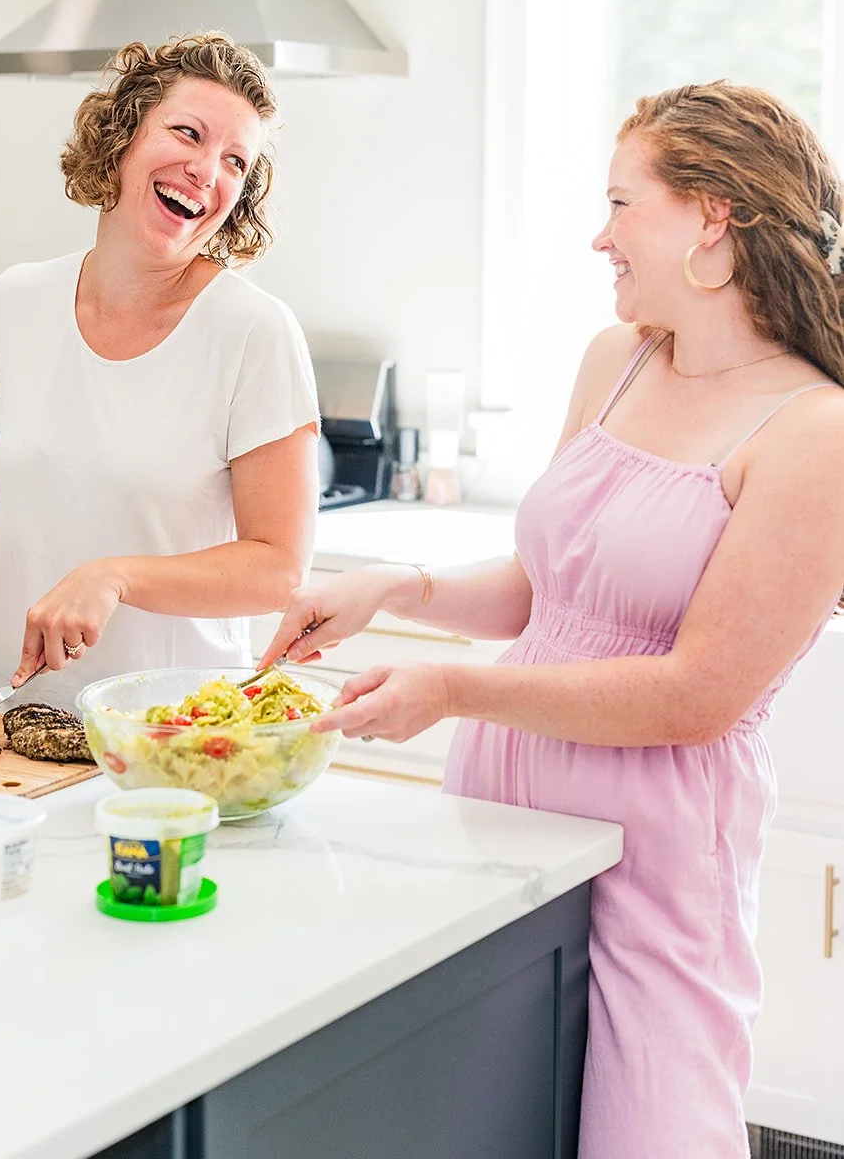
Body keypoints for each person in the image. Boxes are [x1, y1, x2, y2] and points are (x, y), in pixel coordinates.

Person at [261, 79, 844, 1158]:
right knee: (482, 1120)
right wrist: (398, 590)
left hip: (657, 851)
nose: (598, 236)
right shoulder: (610, 360)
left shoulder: (814, 431)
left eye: (621, 204)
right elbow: (547, 589)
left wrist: (454, 688)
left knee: (645, 1134)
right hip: (497, 809)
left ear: (710, 217)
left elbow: (695, 693)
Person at [0, 31, 320, 711]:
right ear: (121, 136)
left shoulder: (253, 333)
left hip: (162, 730)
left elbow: (277, 567)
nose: (205, 170)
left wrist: (116, 577)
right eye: (186, 133)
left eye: (234, 163)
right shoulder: (16, 300)